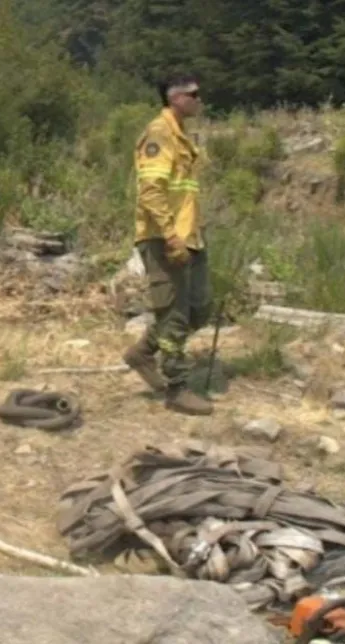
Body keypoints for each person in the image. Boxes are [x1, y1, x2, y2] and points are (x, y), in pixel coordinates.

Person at [122, 74, 214, 416]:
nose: (199, 99)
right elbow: (150, 191)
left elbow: (182, 192)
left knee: (199, 308)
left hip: (190, 236)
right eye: (194, 94)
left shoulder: (180, 136)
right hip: (164, 238)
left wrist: (191, 232)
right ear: (176, 98)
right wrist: (171, 236)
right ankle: (177, 388)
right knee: (173, 314)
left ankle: (142, 352)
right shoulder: (159, 134)